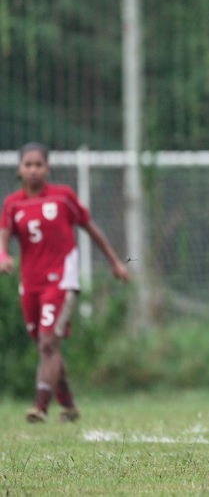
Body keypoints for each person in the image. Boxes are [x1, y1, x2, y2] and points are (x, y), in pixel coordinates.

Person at [0, 142, 130, 423]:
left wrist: (115, 261)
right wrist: (3, 256)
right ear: (20, 169)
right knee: (47, 346)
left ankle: (40, 407)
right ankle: (69, 406)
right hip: (30, 284)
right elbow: (5, 234)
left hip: (61, 281)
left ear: (48, 168)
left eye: (39, 164)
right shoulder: (13, 203)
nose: (33, 170)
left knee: (48, 343)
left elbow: (89, 227)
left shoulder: (63, 198)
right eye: (28, 164)